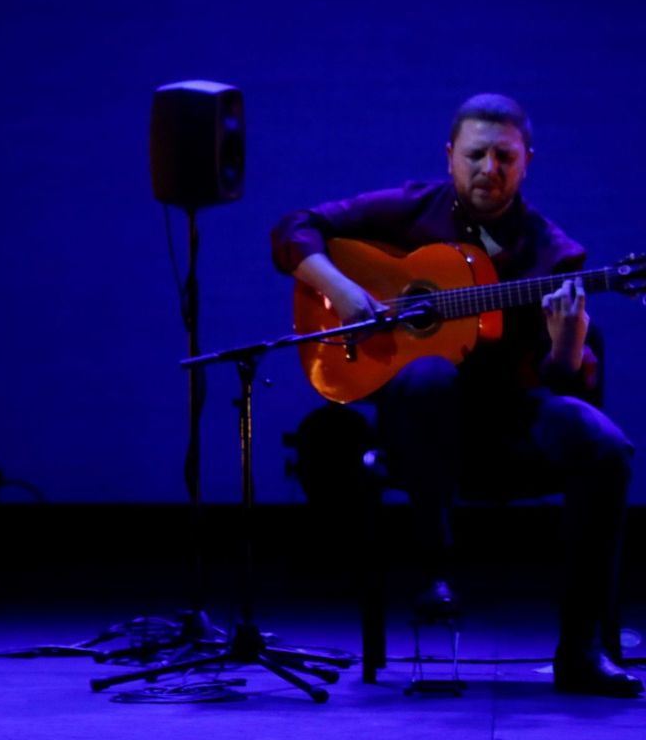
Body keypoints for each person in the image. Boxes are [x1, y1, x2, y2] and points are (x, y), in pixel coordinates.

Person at [271, 93, 637, 696]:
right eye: (476, 155)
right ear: (450, 157)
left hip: (513, 419)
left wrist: (568, 344)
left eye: (504, 157)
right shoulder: (411, 209)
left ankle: (583, 649)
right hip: (421, 426)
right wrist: (343, 288)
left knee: (606, 447)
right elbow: (294, 227)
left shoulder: (554, 254)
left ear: (526, 162)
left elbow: (569, 383)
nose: (489, 169)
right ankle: (434, 568)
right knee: (430, 375)